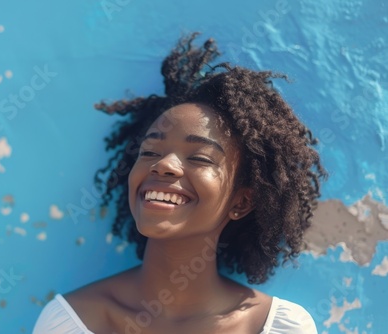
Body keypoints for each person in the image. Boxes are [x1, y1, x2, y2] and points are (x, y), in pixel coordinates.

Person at [33, 33, 327, 334]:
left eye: (199, 158)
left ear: (241, 202)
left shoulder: (280, 327)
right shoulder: (73, 321)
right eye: (149, 152)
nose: (163, 165)